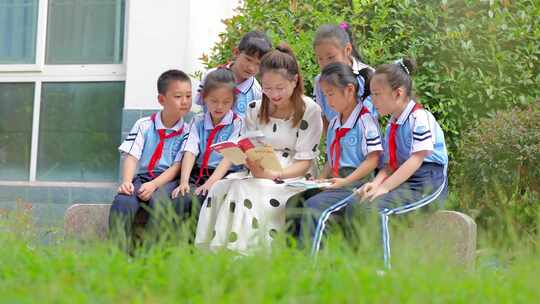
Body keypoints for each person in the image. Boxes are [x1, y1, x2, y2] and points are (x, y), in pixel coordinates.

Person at [194, 44, 323, 254]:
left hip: (292, 175)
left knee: (245, 189)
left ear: (294, 81)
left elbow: (305, 162)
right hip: (257, 170)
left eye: (280, 88)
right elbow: (249, 146)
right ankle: (212, 250)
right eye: (267, 88)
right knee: (219, 187)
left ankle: (244, 252)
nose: (273, 94)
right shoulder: (254, 108)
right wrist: (245, 159)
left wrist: (275, 173)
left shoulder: (310, 110)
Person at [355, 58, 449, 267]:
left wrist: (385, 188)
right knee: (359, 204)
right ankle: (357, 264)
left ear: (397, 93)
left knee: (378, 209)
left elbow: (416, 159)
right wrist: (375, 185)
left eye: (377, 94)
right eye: (371, 94)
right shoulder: (392, 124)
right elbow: (390, 165)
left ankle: (380, 271)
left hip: (428, 182)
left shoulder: (419, 118)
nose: (373, 100)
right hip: (404, 179)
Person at [286, 62, 382, 250]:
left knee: (314, 207)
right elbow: (332, 159)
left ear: (349, 90)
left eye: (331, 94)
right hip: (335, 182)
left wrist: (345, 181)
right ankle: (292, 259)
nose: (328, 101)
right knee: (294, 203)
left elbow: (373, 159)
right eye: (324, 95)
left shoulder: (365, 120)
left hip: (356, 184)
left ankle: (312, 264)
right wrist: (319, 180)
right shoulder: (335, 123)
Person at [109, 69, 192, 245]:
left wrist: (154, 185)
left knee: (160, 203)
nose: (185, 102)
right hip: (144, 177)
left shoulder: (189, 131)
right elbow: (131, 155)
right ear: (161, 100)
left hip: (168, 181)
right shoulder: (144, 125)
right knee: (123, 201)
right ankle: (119, 254)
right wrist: (126, 181)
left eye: (188, 96)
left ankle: (149, 255)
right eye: (178, 96)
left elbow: (177, 166)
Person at [171, 68, 244, 225]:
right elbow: (190, 151)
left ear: (233, 101)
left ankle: (196, 247)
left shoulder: (238, 124)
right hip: (196, 174)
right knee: (179, 199)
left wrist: (211, 183)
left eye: (226, 102)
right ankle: (175, 246)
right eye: (214, 101)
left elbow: (229, 158)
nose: (219, 106)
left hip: (222, 176)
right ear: (204, 98)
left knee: (201, 200)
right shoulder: (197, 121)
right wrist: (184, 181)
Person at [312, 22, 377, 134]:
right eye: (320, 59)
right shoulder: (319, 82)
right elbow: (322, 117)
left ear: (347, 50)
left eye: (330, 57)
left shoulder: (368, 76)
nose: (325, 64)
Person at [195, 30, 272, 117]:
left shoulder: (256, 92)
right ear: (236, 52)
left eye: (258, 64)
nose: (251, 67)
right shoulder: (211, 75)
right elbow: (201, 107)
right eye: (248, 59)